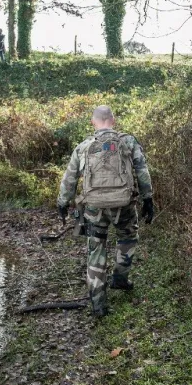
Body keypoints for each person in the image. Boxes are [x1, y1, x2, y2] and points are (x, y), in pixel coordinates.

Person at [57, 106, 155, 317]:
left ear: (93, 122)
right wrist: (148, 199)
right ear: (113, 119)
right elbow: (142, 171)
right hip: (124, 204)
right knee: (127, 237)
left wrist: (63, 203)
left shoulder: (84, 146)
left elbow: (70, 178)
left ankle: (98, 303)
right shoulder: (128, 142)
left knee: (96, 248)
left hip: (94, 207)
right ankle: (120, 279)